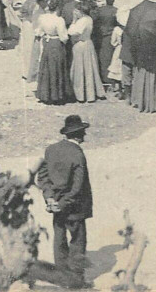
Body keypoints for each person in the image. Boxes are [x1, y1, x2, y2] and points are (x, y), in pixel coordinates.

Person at [36, 115, 93, 289]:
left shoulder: (51, 149)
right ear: (80, 135)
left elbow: (42, 177)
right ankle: (76, 282)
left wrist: (50, 198)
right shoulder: (78, 155)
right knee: (77, 241)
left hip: (56, 205)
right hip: (75, 207)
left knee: (59, 239)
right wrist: (64, 203)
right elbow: (78, 187)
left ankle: (61, 278)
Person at [36, 0, 73, 105]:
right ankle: (57, 95)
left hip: (47, 43)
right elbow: (64, 37)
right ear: (57, 8)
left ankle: (45, 94)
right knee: (57, 68)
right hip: (56, 43)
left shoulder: (43, 18)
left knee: (46, 67)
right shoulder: (59, 20)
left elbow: (39, 31)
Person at [68, 0, 105, 103]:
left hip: (80, 44)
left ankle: (80, 94)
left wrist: (74, 21)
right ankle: (90, 93)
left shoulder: (82, 21)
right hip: (88, 43)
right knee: (89, 69)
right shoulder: (89, 19)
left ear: (80, 11)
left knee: (80, 69)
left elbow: (72, 32)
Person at [130, 19, 156, 113]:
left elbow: (133, 45)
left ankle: (142, 102)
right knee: (155, 79)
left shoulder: (139, 28)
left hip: (142, 56)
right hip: (155, 56)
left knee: (142, 78)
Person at [92, 0, 119, 87]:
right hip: (110, 36)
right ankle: (108, 79)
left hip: (100, 36)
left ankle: (103, 78)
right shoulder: (115, 11)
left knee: (102, 57)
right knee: (109, 57)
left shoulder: (99, 10)